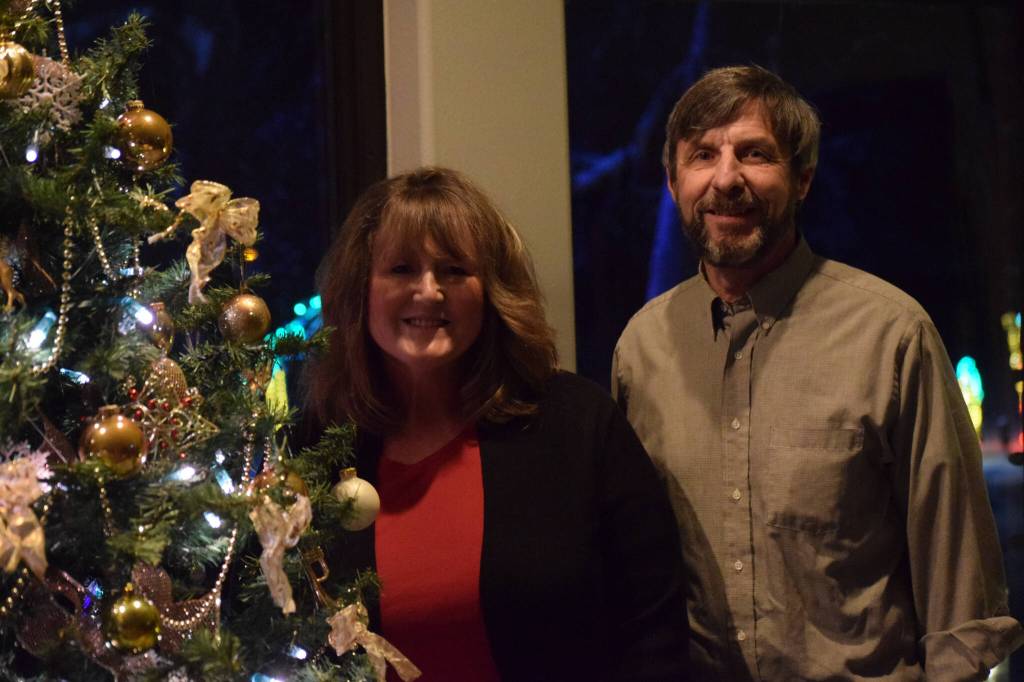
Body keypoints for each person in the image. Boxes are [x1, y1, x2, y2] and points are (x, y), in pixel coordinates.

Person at [612, 65, 1024, 680]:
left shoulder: (891, 336)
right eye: (702, 156)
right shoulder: (641, 350)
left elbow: (961, 610)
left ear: (802, 178)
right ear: (673, 184)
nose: (726, 179)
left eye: (754, 154)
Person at [306, 166, 690, 681]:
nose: (429, 291)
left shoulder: (576, 423)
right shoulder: (312, 447)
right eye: (401, 269)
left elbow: (655, 629)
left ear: (490, 291)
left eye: (453, 270)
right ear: (361, 291)